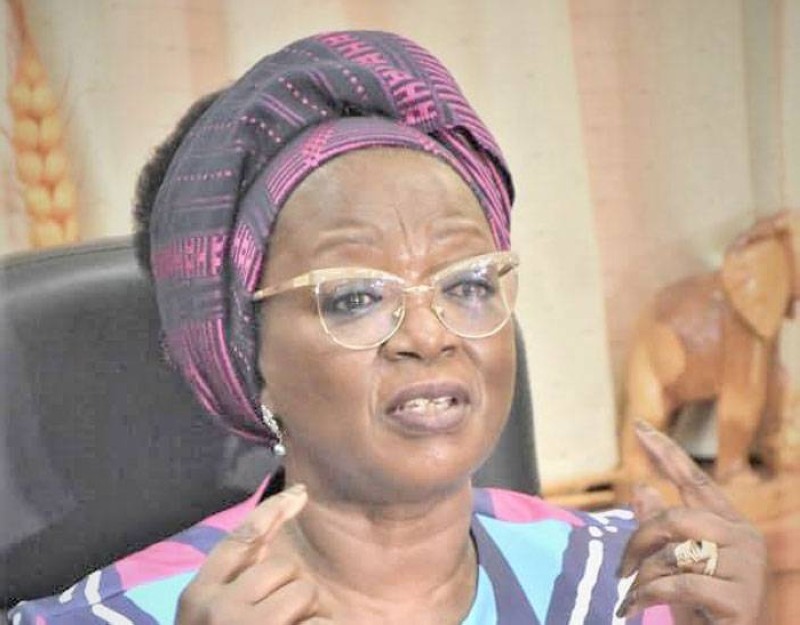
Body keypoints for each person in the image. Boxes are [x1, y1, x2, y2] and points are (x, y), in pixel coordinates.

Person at [9, 30, 766, 625]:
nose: (429, 335)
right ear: (247, 358)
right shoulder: (115, 616)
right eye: (354, 298)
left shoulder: (628, 583)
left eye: (467, 282)